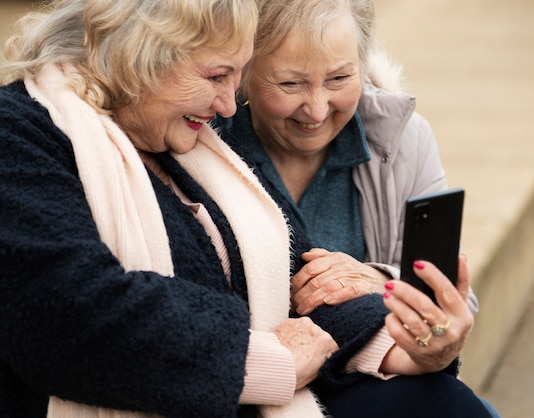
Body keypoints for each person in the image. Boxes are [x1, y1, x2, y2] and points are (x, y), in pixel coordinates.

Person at [0, 0, 493, 417]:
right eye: (217, 75)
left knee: (445, 401)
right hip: (175, 392)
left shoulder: (187, 138)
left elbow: (302, 274)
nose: (229, 106)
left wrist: (398, 347)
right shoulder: (19, 135)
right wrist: (260, 359)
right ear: (140, 55)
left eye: (233, 77)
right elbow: (66, 313)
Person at [212, 0, 500, 416]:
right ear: (244, 73)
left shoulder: (402, 139)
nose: (316, 108)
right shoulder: (206, 144)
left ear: (362, 66)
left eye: (339, 78)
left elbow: (452, 300)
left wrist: (377, 281)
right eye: (291, 84)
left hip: (372, 371)